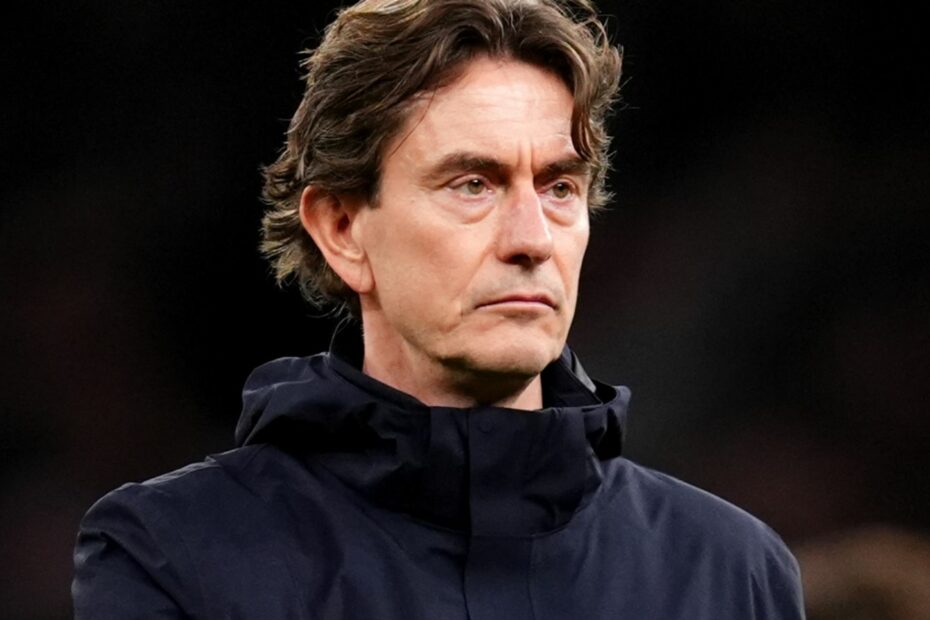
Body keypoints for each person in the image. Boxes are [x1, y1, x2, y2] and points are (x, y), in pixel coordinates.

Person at [72, 0, 806, 618]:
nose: (531, 240)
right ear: (341, 229)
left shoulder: (732, 572)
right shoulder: (170, 554)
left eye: (559, 187)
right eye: (472, 184)